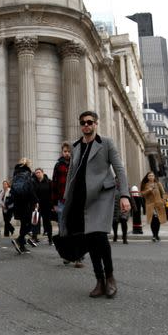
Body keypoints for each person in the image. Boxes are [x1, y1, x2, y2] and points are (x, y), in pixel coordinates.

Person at [62, 111, 130, 298]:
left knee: (99, 236)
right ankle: (99, 280)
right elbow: (71, 174)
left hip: (101, 195)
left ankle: (110, 278)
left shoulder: (105, 143)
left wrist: (124, 195)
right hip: (81, 198)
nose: (86, 125)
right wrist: (67, 197)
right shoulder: (76, 146)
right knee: (89, 239)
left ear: (96, 124)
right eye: (83, 122)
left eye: (90, 122)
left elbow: (119, 169)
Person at [52, 141, 82, 267]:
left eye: (69, 151)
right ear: (62, 152)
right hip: (62, 201)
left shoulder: (77, 164)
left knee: (76, 228)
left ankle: (78, 257)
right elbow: (54, 184)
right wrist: (54, 203)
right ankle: (67, 255)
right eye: (65, 151)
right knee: (63, 228)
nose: (67, 154)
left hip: (75, 200)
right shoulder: (58, 165)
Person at [9, 158, 38, 255]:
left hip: (18, 203)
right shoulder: (27, 174)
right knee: (29, 225)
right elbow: (30, 189)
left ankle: (22, 246)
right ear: (27, 165)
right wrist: (36, 201)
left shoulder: (16, 174)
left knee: (23, 223)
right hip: (26, 203)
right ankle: (19, 240)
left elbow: (12, 189)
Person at [140, 172, 167, 242]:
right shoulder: (145, 185)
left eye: (152, 175)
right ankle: (154, 235)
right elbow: (142, 194)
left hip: (158, 204)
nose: (151, 177)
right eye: (149, 175)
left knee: (158, 220)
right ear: (147, 177)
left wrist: (164, 200)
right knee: (152, 220)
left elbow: (163, 193)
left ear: (154, 177)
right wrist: (149, 190)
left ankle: (156, 235)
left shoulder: (158, 184)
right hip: (150, 205)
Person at [32, 168, 53, 244]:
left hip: (46, 205)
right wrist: (35, 202)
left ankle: (50, 238)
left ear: (43, 173)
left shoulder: (49, 182)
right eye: (36, 173)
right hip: (36, 205)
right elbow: (33, 193)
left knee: (47, 222)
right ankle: (34, 238)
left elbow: (51, 194)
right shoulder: (34, 182)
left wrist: (52, 205)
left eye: (39, 172)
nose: (37, 174)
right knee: (35, 221)